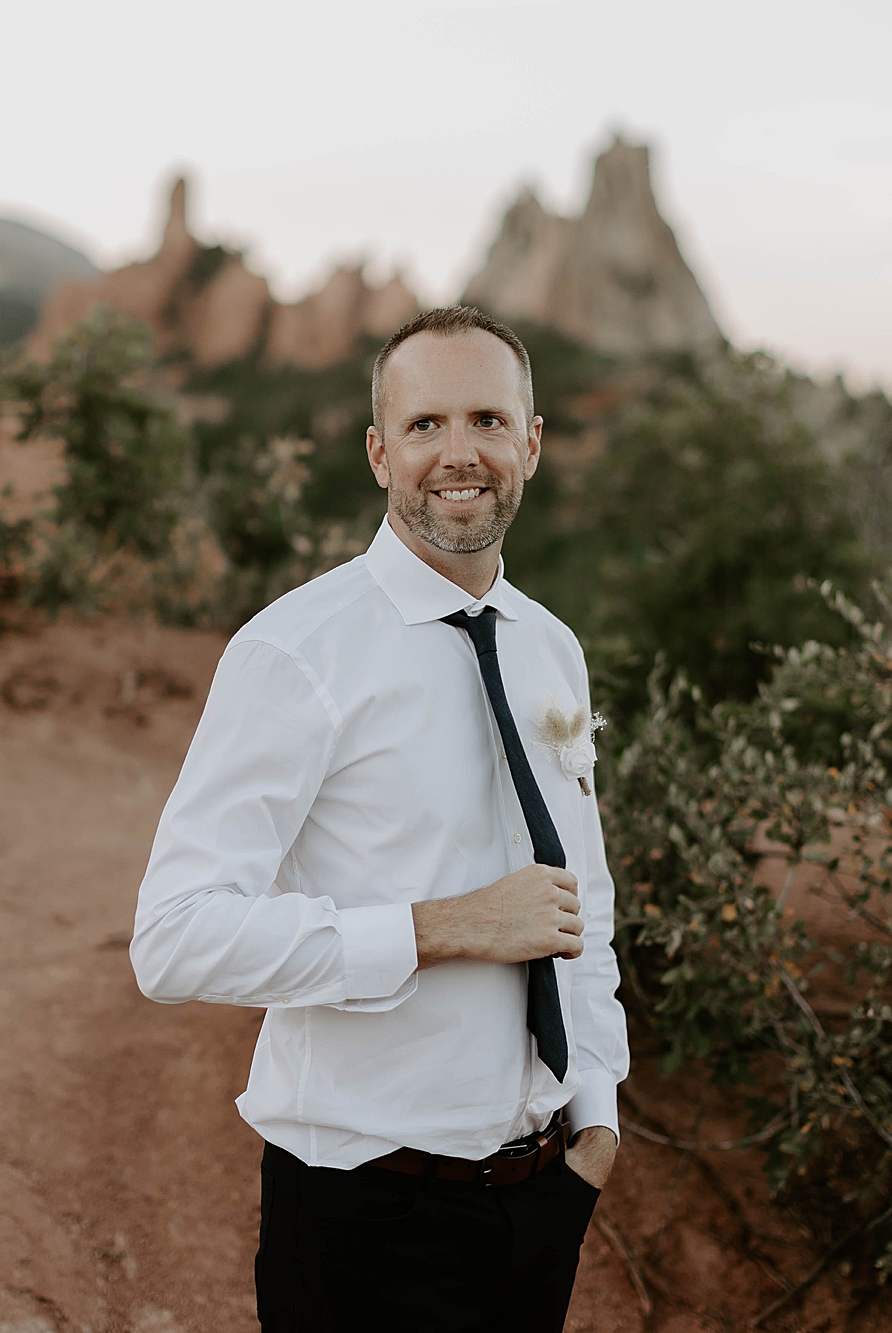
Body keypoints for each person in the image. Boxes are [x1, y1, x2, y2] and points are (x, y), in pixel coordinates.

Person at [130, 306, 629, 1331]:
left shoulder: (551, 646)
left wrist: (596, 1122)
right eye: (424, 424)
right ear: (378, 452)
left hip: (540, 1201)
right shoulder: (294, 653)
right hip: (362, 1215)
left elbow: (585, 906)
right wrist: (443, 926)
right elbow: (173, 938)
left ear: (531, 442)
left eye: (488, 419)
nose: (460, 453)